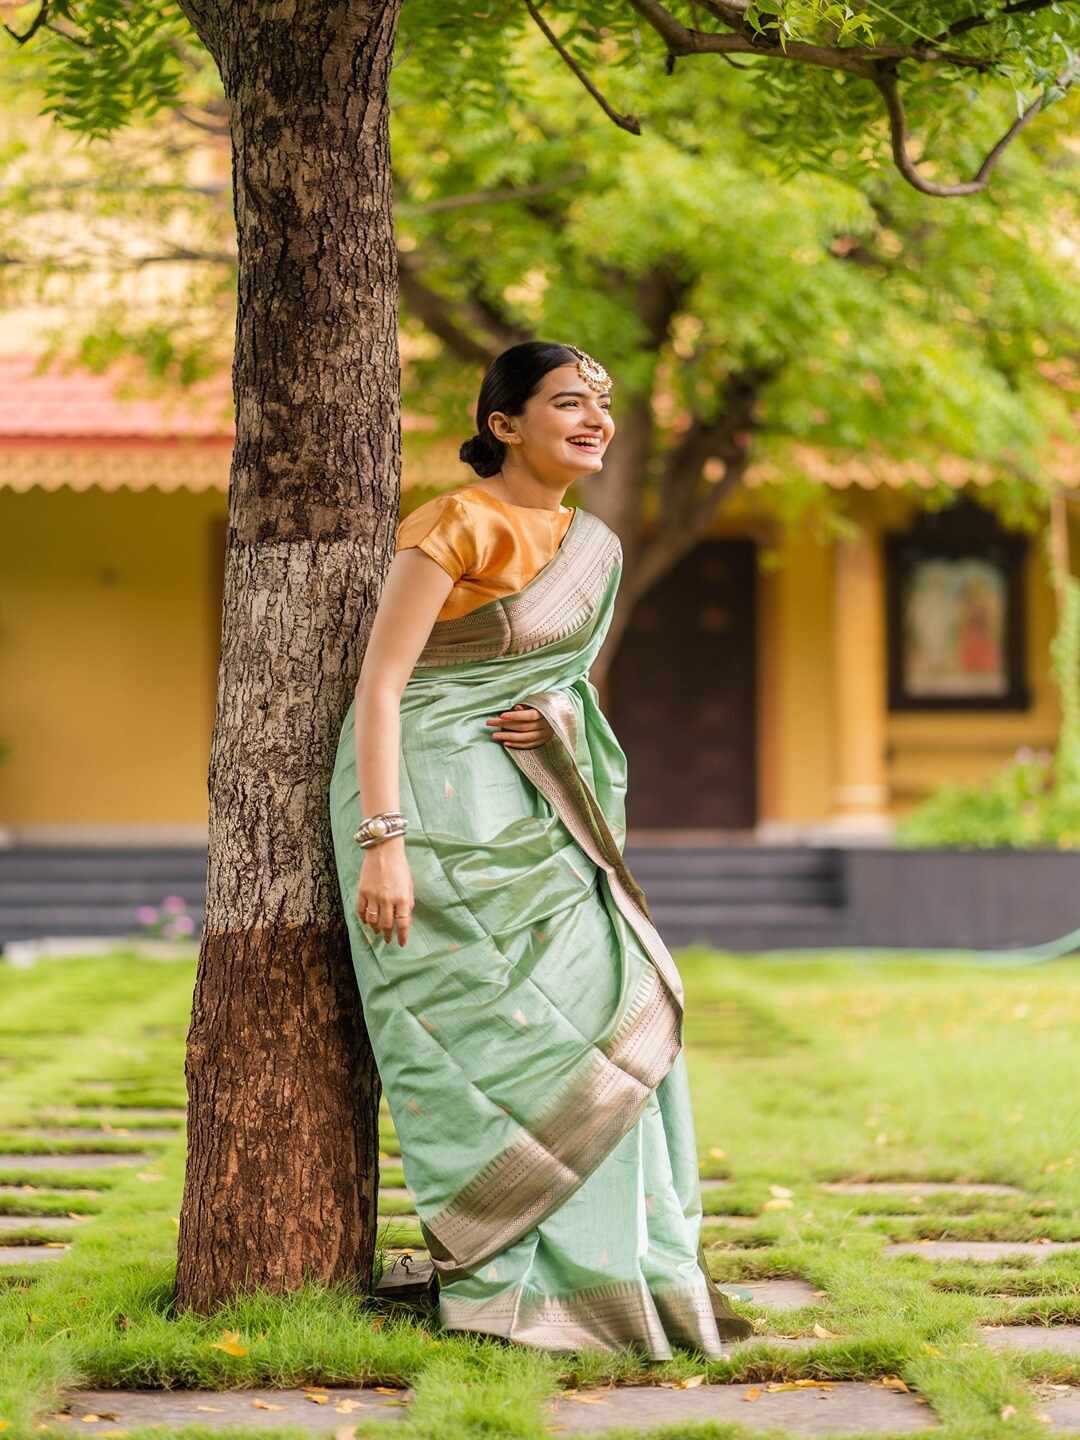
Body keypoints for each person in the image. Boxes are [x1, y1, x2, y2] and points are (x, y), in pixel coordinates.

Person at [328, 340, 752, 1357]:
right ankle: (507, 1273)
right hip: (427, 801)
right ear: (505, 424)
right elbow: (384, 688)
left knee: (608, 1001)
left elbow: (558, 684)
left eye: (601, 404)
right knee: (489, 1036)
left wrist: (559, 718)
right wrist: (382, 843)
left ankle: (617, 1271)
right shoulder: (453, 523)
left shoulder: (591, 545)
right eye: (568, 402)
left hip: (531, 806)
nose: (595, 419)